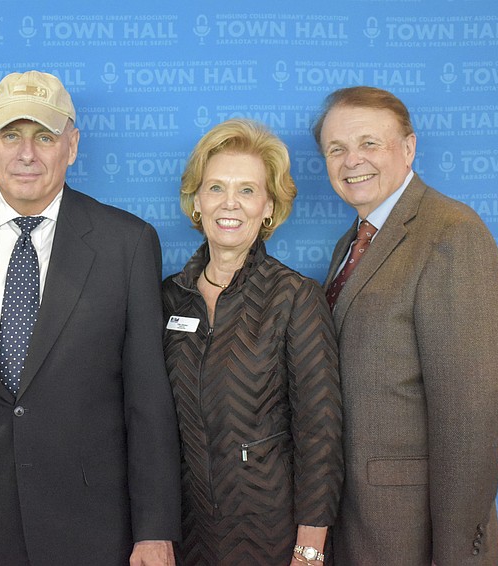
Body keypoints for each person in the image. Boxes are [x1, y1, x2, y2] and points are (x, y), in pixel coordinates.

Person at [0, 70, 181, 566]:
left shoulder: (128, 244)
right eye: (11, 135)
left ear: (72, 146)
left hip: (96, 528)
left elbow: (148, 402)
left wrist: (154, 529)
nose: (26, 153)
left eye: (45, 136)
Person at [314, 86, 498, 565]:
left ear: (409, 147)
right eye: (336, 149)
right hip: (357, 524)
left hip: (418, 535)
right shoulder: (350, 245)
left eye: (369, 143)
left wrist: (457, 554)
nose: (352, 160)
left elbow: (472, 419)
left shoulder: (451, 233)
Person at [162, 118, 343, 565]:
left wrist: (310, 546)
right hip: (185, 533)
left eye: (247, 190)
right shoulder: (166, 298)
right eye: (216, 187)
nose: (230, 203)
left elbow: (319, 432)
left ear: (268, 207)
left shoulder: (295, 296)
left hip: (272, 534)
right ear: (197, 201)